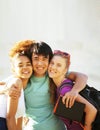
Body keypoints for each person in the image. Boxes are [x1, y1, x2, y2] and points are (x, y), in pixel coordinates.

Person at [0, 40, 88, 130]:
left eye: (44, 59)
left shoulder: (52, 74)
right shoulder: (25, 77)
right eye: (36, 58)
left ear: (49, 60)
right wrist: (5, 89)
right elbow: (5, 84)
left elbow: (82, 76)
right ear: (31, 59)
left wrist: (74, 91)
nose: (40, 63)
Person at [48, 50, 97, 130]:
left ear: (65, 69)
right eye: (52, 63)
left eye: (59, 65)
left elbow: (91, 110)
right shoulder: (59, 83)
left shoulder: (65, 90)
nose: (53, 67)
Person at [0, 40, 33, 130]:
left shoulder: (26, 86)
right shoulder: (16, 82)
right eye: (20, 65)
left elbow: (18, 119)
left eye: (28, 64)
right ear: (14, 69)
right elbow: (10, 117)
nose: (25, 67)